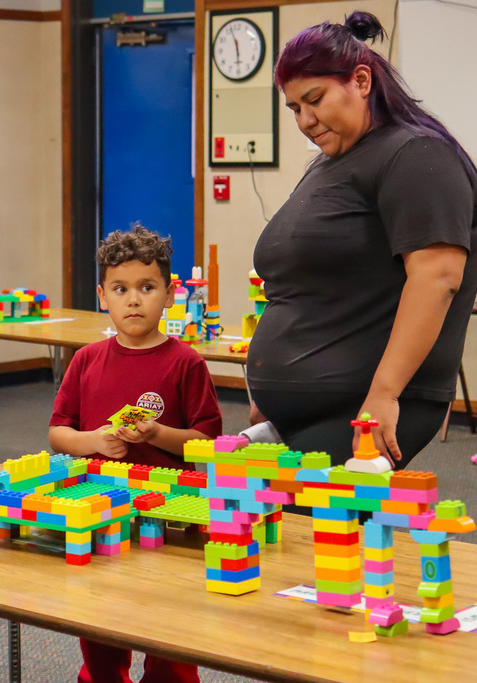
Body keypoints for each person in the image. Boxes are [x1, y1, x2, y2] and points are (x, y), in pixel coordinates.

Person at [247, 11, 477, 470]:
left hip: (364, 411)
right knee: (265, 533)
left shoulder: (417, 154)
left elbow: (437, 279)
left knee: (316, 534)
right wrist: (271, 392)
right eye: (294, 108)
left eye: (314, 99)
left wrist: (384, 394)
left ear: (361, 80)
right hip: (298, 412)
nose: (305, 120)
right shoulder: (329, 164)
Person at [49, 227, 222, 683]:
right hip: (101, 509)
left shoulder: (186, 363)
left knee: (170, 622)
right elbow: (58, 433)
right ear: (103, 295)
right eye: (120, 290)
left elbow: (207, 439)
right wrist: (94, 441)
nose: (133, 300)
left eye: (147, 288)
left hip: (170, 515)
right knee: (99, 616)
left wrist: (159, 433)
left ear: (169, 295)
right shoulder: (86, 359)